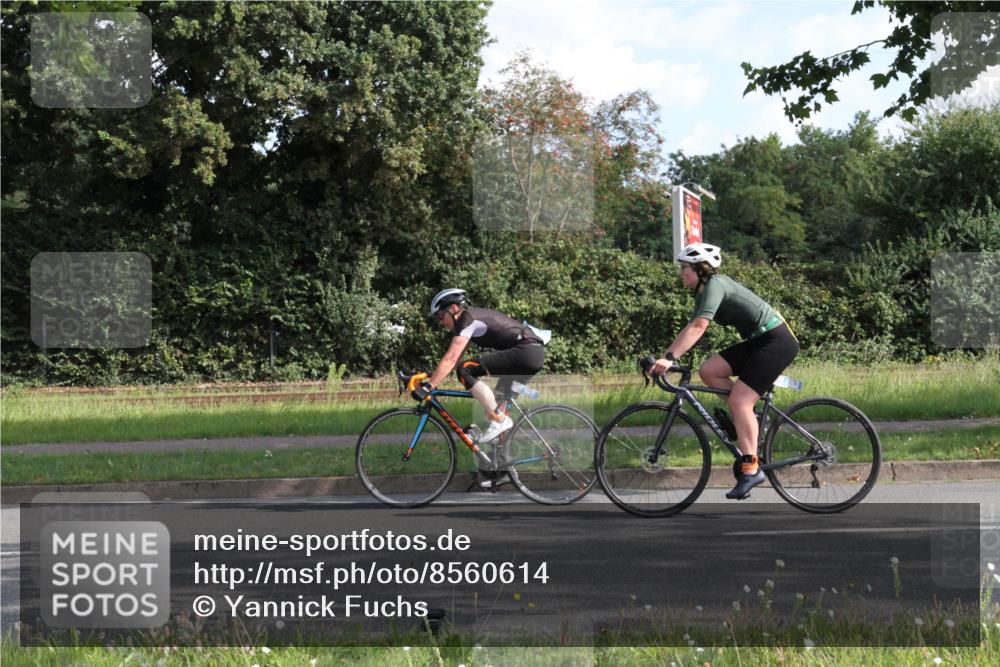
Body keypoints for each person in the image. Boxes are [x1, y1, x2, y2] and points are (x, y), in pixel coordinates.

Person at [650, 242, 799, 500]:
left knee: (740, 401)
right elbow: (691, 328)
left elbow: (699, 328)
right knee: (709, 370)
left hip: (776, 341)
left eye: (684, 268)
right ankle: (748, 419)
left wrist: (669, 359)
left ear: (700, 269)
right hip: (759, 341)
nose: (680, 273)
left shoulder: (715, 285)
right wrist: (667, 357)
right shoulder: (703, 292)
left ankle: (751, 469)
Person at [412, 288, 545, 444]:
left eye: (441, 316)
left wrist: (428, 387)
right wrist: (433, 376)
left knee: (465, 369)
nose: (441, 322)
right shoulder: (471, 321)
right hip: (531, 354)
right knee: (490, 413)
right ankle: (499, 455)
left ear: (453, 308)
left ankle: (500, 420)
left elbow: (451, 360)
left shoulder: (467, 319)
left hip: (525, 352)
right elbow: (454, 359)